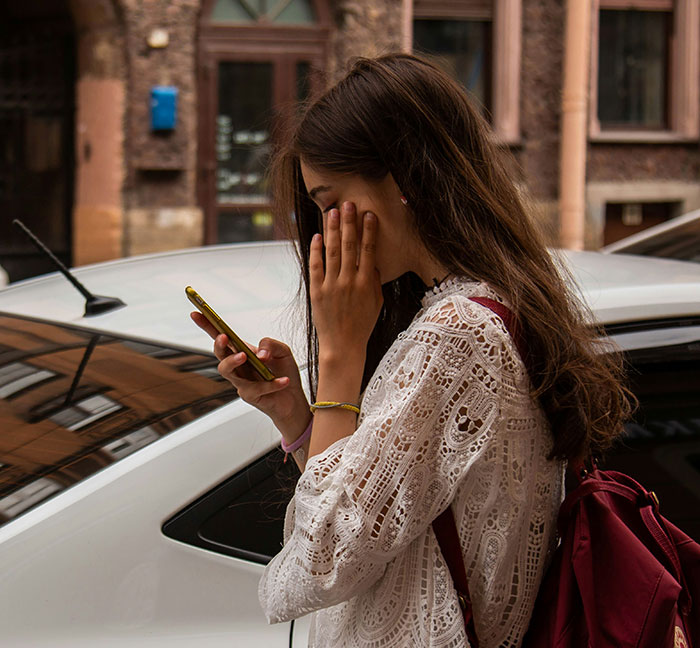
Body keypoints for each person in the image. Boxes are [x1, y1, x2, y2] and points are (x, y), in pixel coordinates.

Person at [192, 53, 632, 648]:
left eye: (330, 202)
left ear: (402, 178)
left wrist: (341, 356)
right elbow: (372, 514)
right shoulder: (479, 312)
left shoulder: (458, 335)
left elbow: (322, 558)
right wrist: (296, 416)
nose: (325, 232)